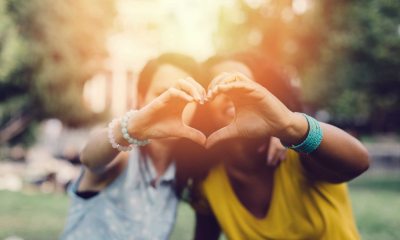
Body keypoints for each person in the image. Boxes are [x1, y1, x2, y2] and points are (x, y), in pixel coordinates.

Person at [192, 53, 370, 240]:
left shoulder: (299, 149)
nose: (231, 94)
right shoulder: (208, 182)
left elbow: (359, 162)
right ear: (204, 105)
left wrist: (289, 126)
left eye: (240, 84)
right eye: (218, 87)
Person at [61, 53, 208, 240]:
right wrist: (129, 129)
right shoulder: (123, 153)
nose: (173, 103)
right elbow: (90, 157)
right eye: (162, 94)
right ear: (141, 98)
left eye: (186, 95)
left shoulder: (181, 173)